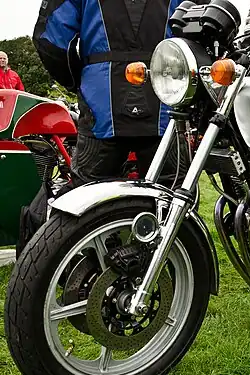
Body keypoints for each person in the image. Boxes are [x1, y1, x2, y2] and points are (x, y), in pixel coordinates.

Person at [17, 0, 199, 256]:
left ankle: (80, 267)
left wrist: (82, 79)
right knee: (175, 203)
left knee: (82, 202)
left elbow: (52, 40)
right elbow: (203, 31)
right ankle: (172, 267)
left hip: (101, 104)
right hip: (166, 102)